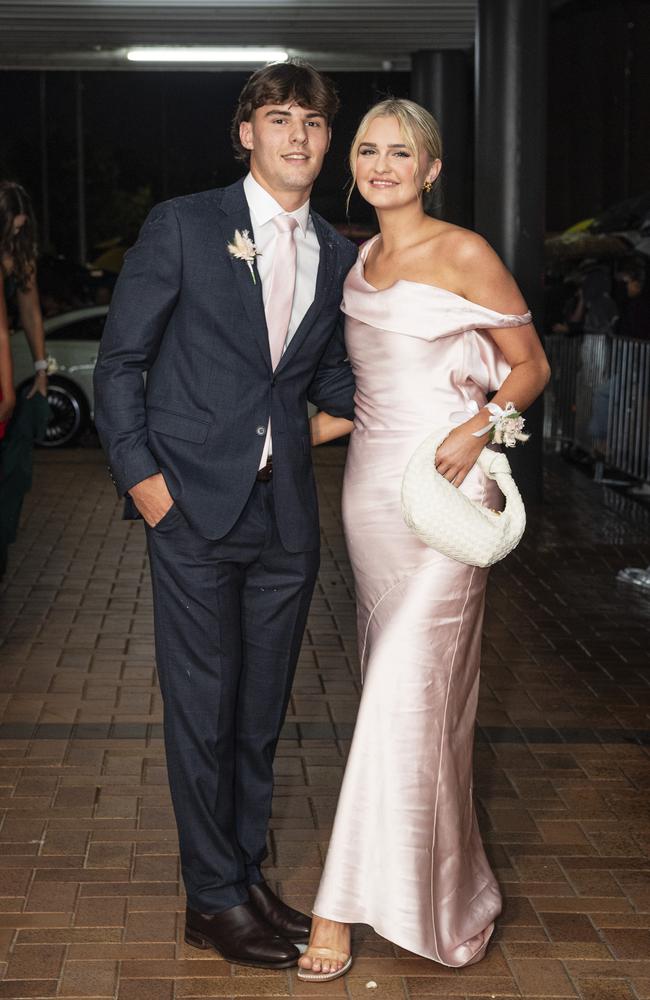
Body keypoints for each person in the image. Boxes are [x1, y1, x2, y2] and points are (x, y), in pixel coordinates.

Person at [93, 61, 358, 969]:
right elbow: (119, 363)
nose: (297, 137)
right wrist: (145, 484)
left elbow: (324, 382)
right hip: (191, 514)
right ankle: (210, 899)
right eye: (279, 119)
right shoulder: (185, 225)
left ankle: (244, 877)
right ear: (246, 132)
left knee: (257, 715)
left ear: (329, 141)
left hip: (285, 519)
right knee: (203, 712)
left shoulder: (336, 251)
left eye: (313, 123)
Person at [298, 99, 550, 981]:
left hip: (447, 493)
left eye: (400, 152)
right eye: (367, 149)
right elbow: (361, 398)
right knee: (417, 707)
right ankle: (450, 889)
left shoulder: (466, 252)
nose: (381, 164)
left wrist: (481, 426)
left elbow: (531, 365)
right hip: (371, 499)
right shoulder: (354, 260)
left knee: (402, 687)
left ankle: (336, 907)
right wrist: (267, 437)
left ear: (431, 167)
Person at [0, 181, 50, 578]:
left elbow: (30, 314)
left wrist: (40, 369)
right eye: (10, 229)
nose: (16, 235)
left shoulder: (18, 255)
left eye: (20, 229)